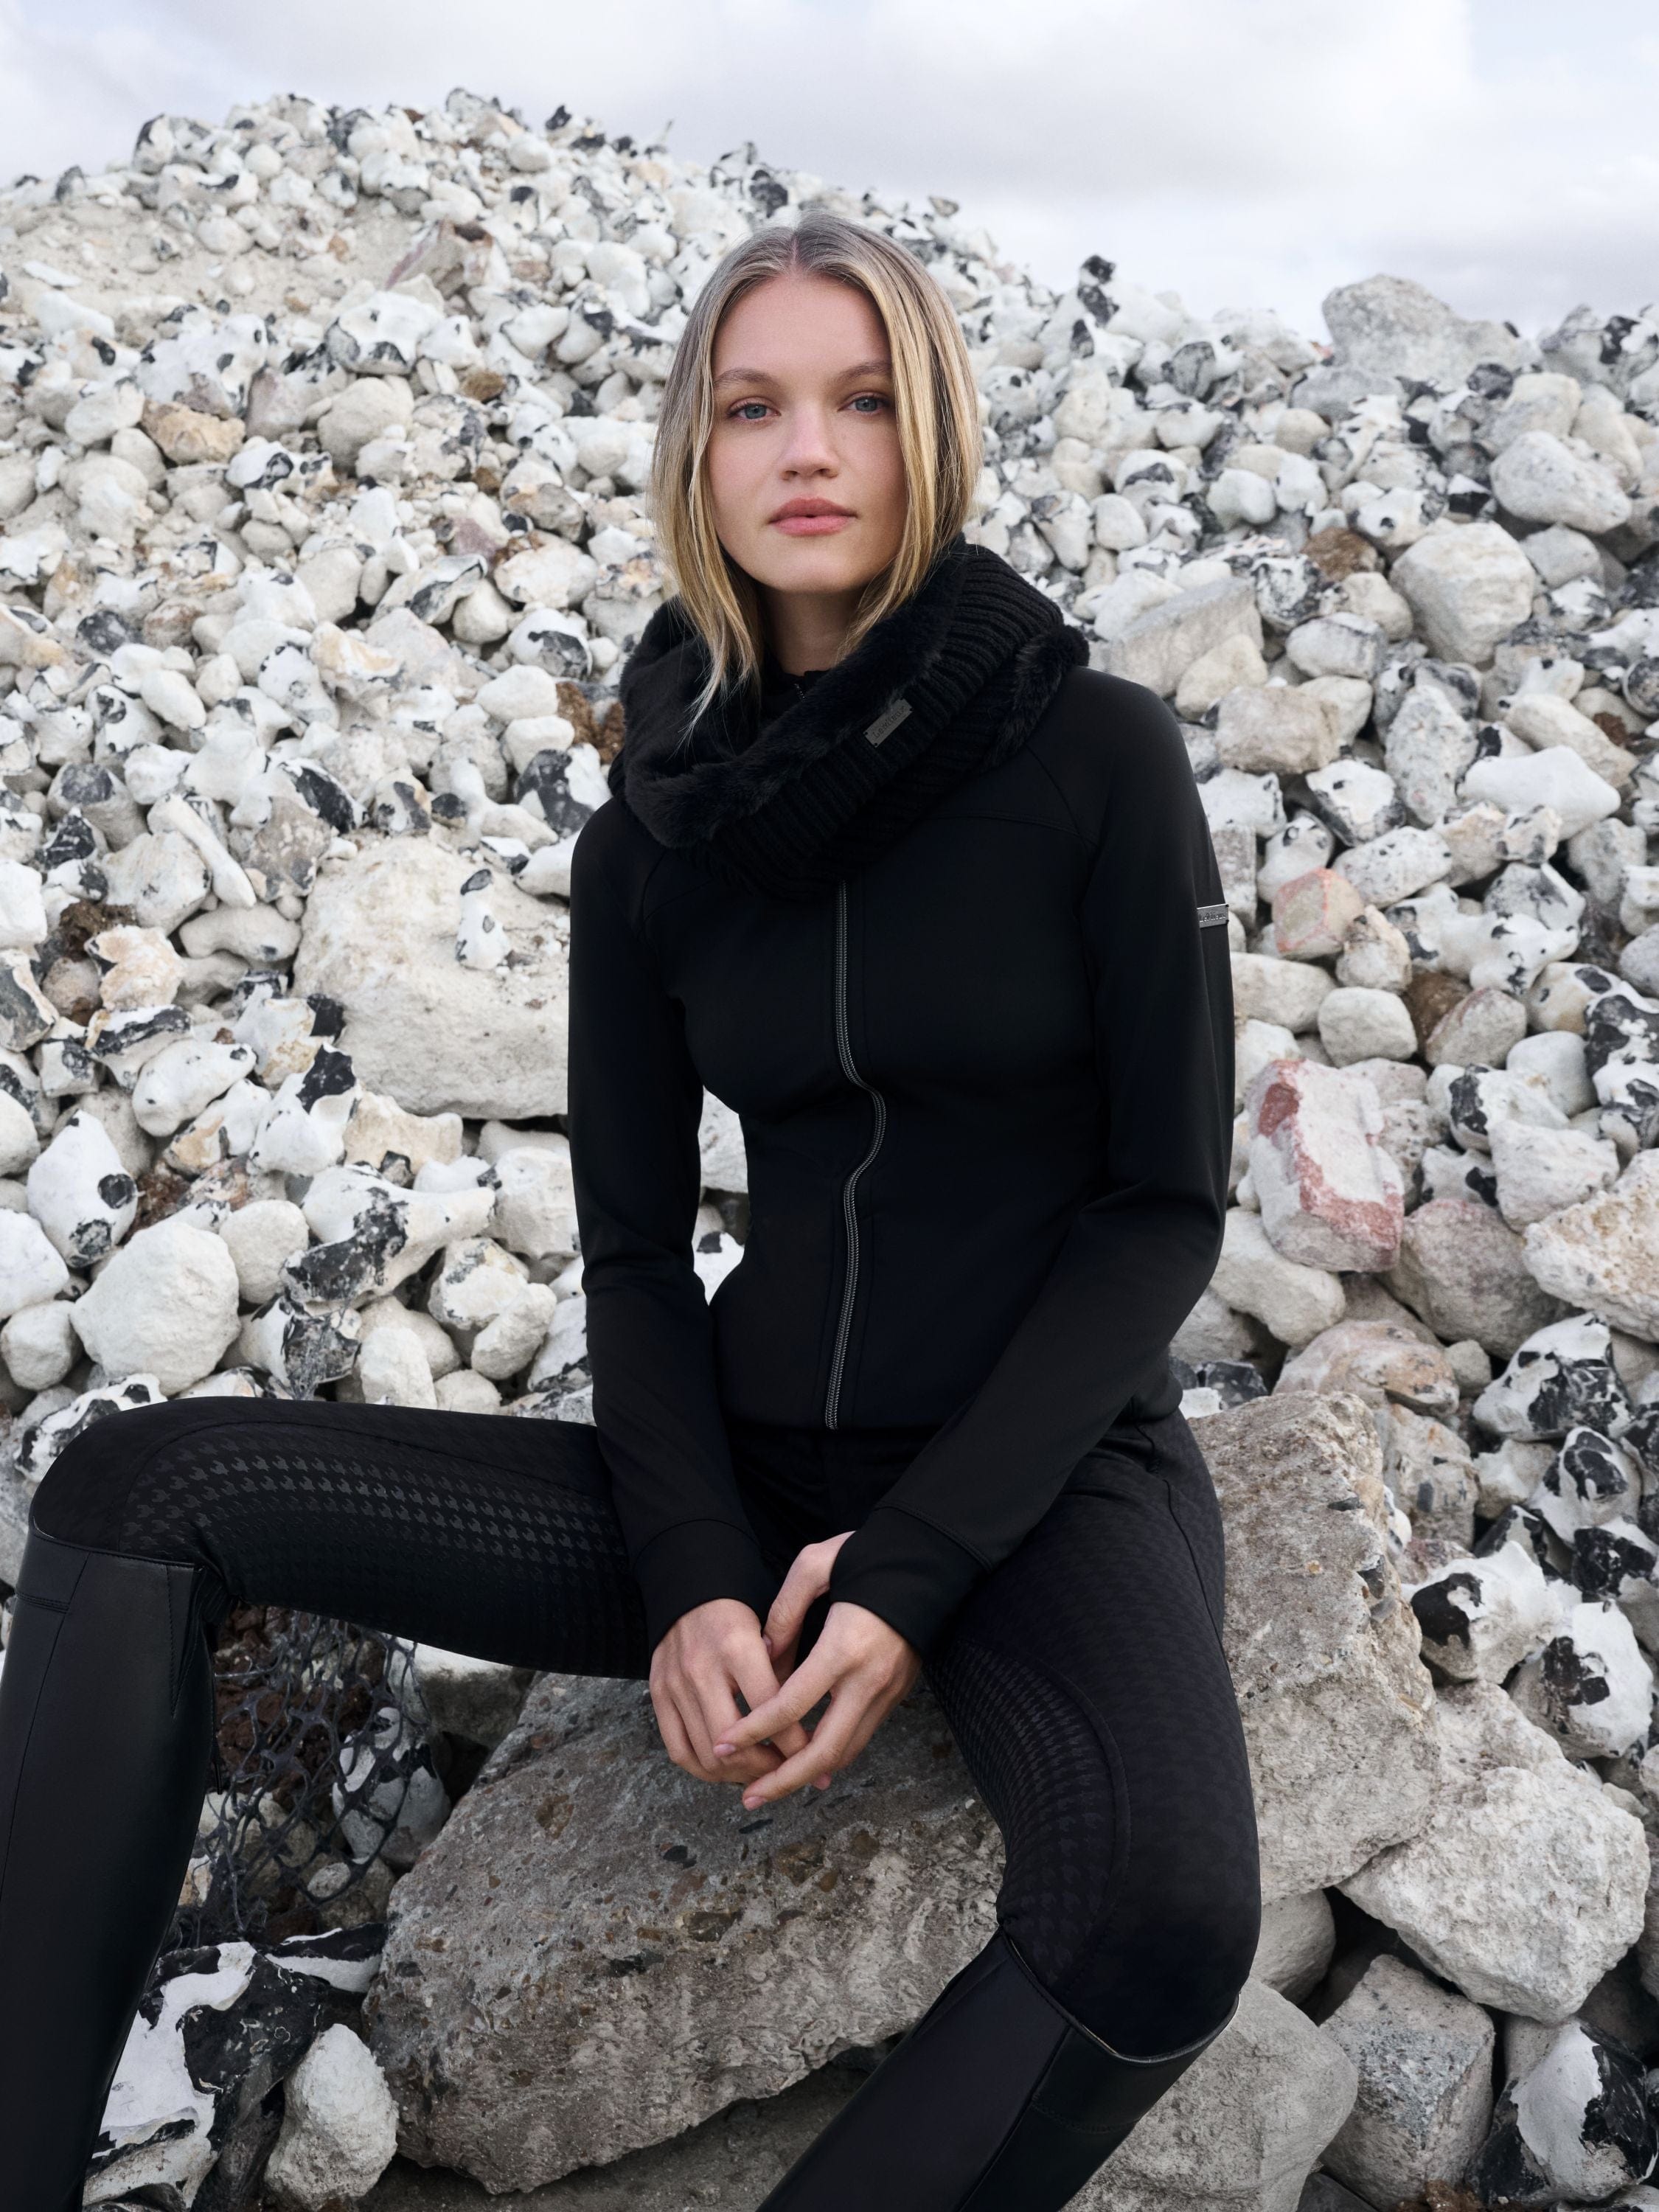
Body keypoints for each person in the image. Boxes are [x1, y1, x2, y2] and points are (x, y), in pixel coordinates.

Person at [0, 210, 1261, 2211]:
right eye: (752, 406)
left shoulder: (1093, 753)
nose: (807, 449)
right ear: (695, 453)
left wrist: (911, 1571)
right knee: (132, 1491)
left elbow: (1160, 1209)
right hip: (735, 1473)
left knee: (1163, 1914)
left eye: (860, 400)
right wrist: (688, 1576)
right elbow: (634, 1254)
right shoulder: (654, 832)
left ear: (930, 430)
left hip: (1040, 1486)